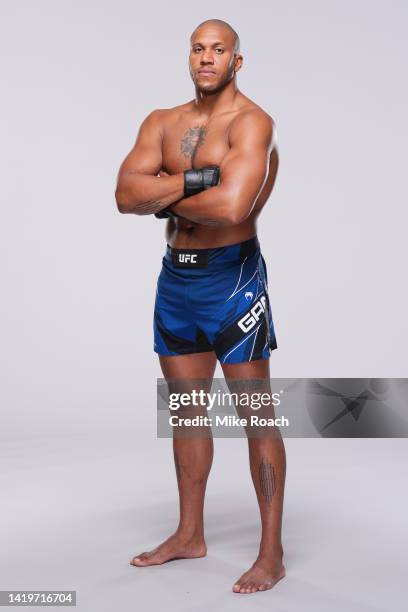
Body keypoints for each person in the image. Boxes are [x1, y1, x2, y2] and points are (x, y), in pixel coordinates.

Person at [115, 18, 286, 595]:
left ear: (237, 61)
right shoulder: (161, 121)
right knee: (186, 412)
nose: (207, 58)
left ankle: (271, 553)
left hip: (232, 281)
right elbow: (123, 195)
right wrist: (200, 180)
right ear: (189, 58)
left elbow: (232, 207)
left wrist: (165, 185)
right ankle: (190, 534)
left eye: (219, 50)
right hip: (176, 282)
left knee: (256, 416)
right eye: (198, 49)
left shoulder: (252, 122)